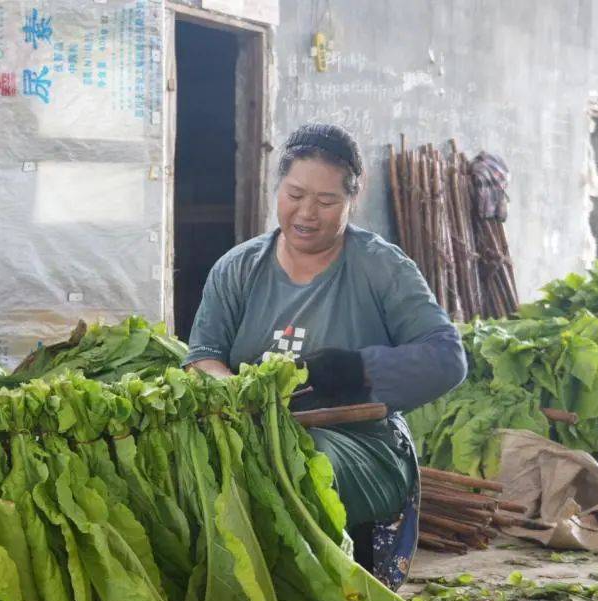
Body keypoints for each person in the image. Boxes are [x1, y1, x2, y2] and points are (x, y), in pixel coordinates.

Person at [184, 123, 467, 564]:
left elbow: (448, 358)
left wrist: (356, 370)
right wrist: (236, 393)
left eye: (326, 201)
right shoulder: (237, 269)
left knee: (305, 470)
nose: (306, 213)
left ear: (353, 199)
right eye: (295, 195)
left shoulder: (380, 267)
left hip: (359, 443)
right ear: (277, 187)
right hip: (250, 436)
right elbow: (203, 356)